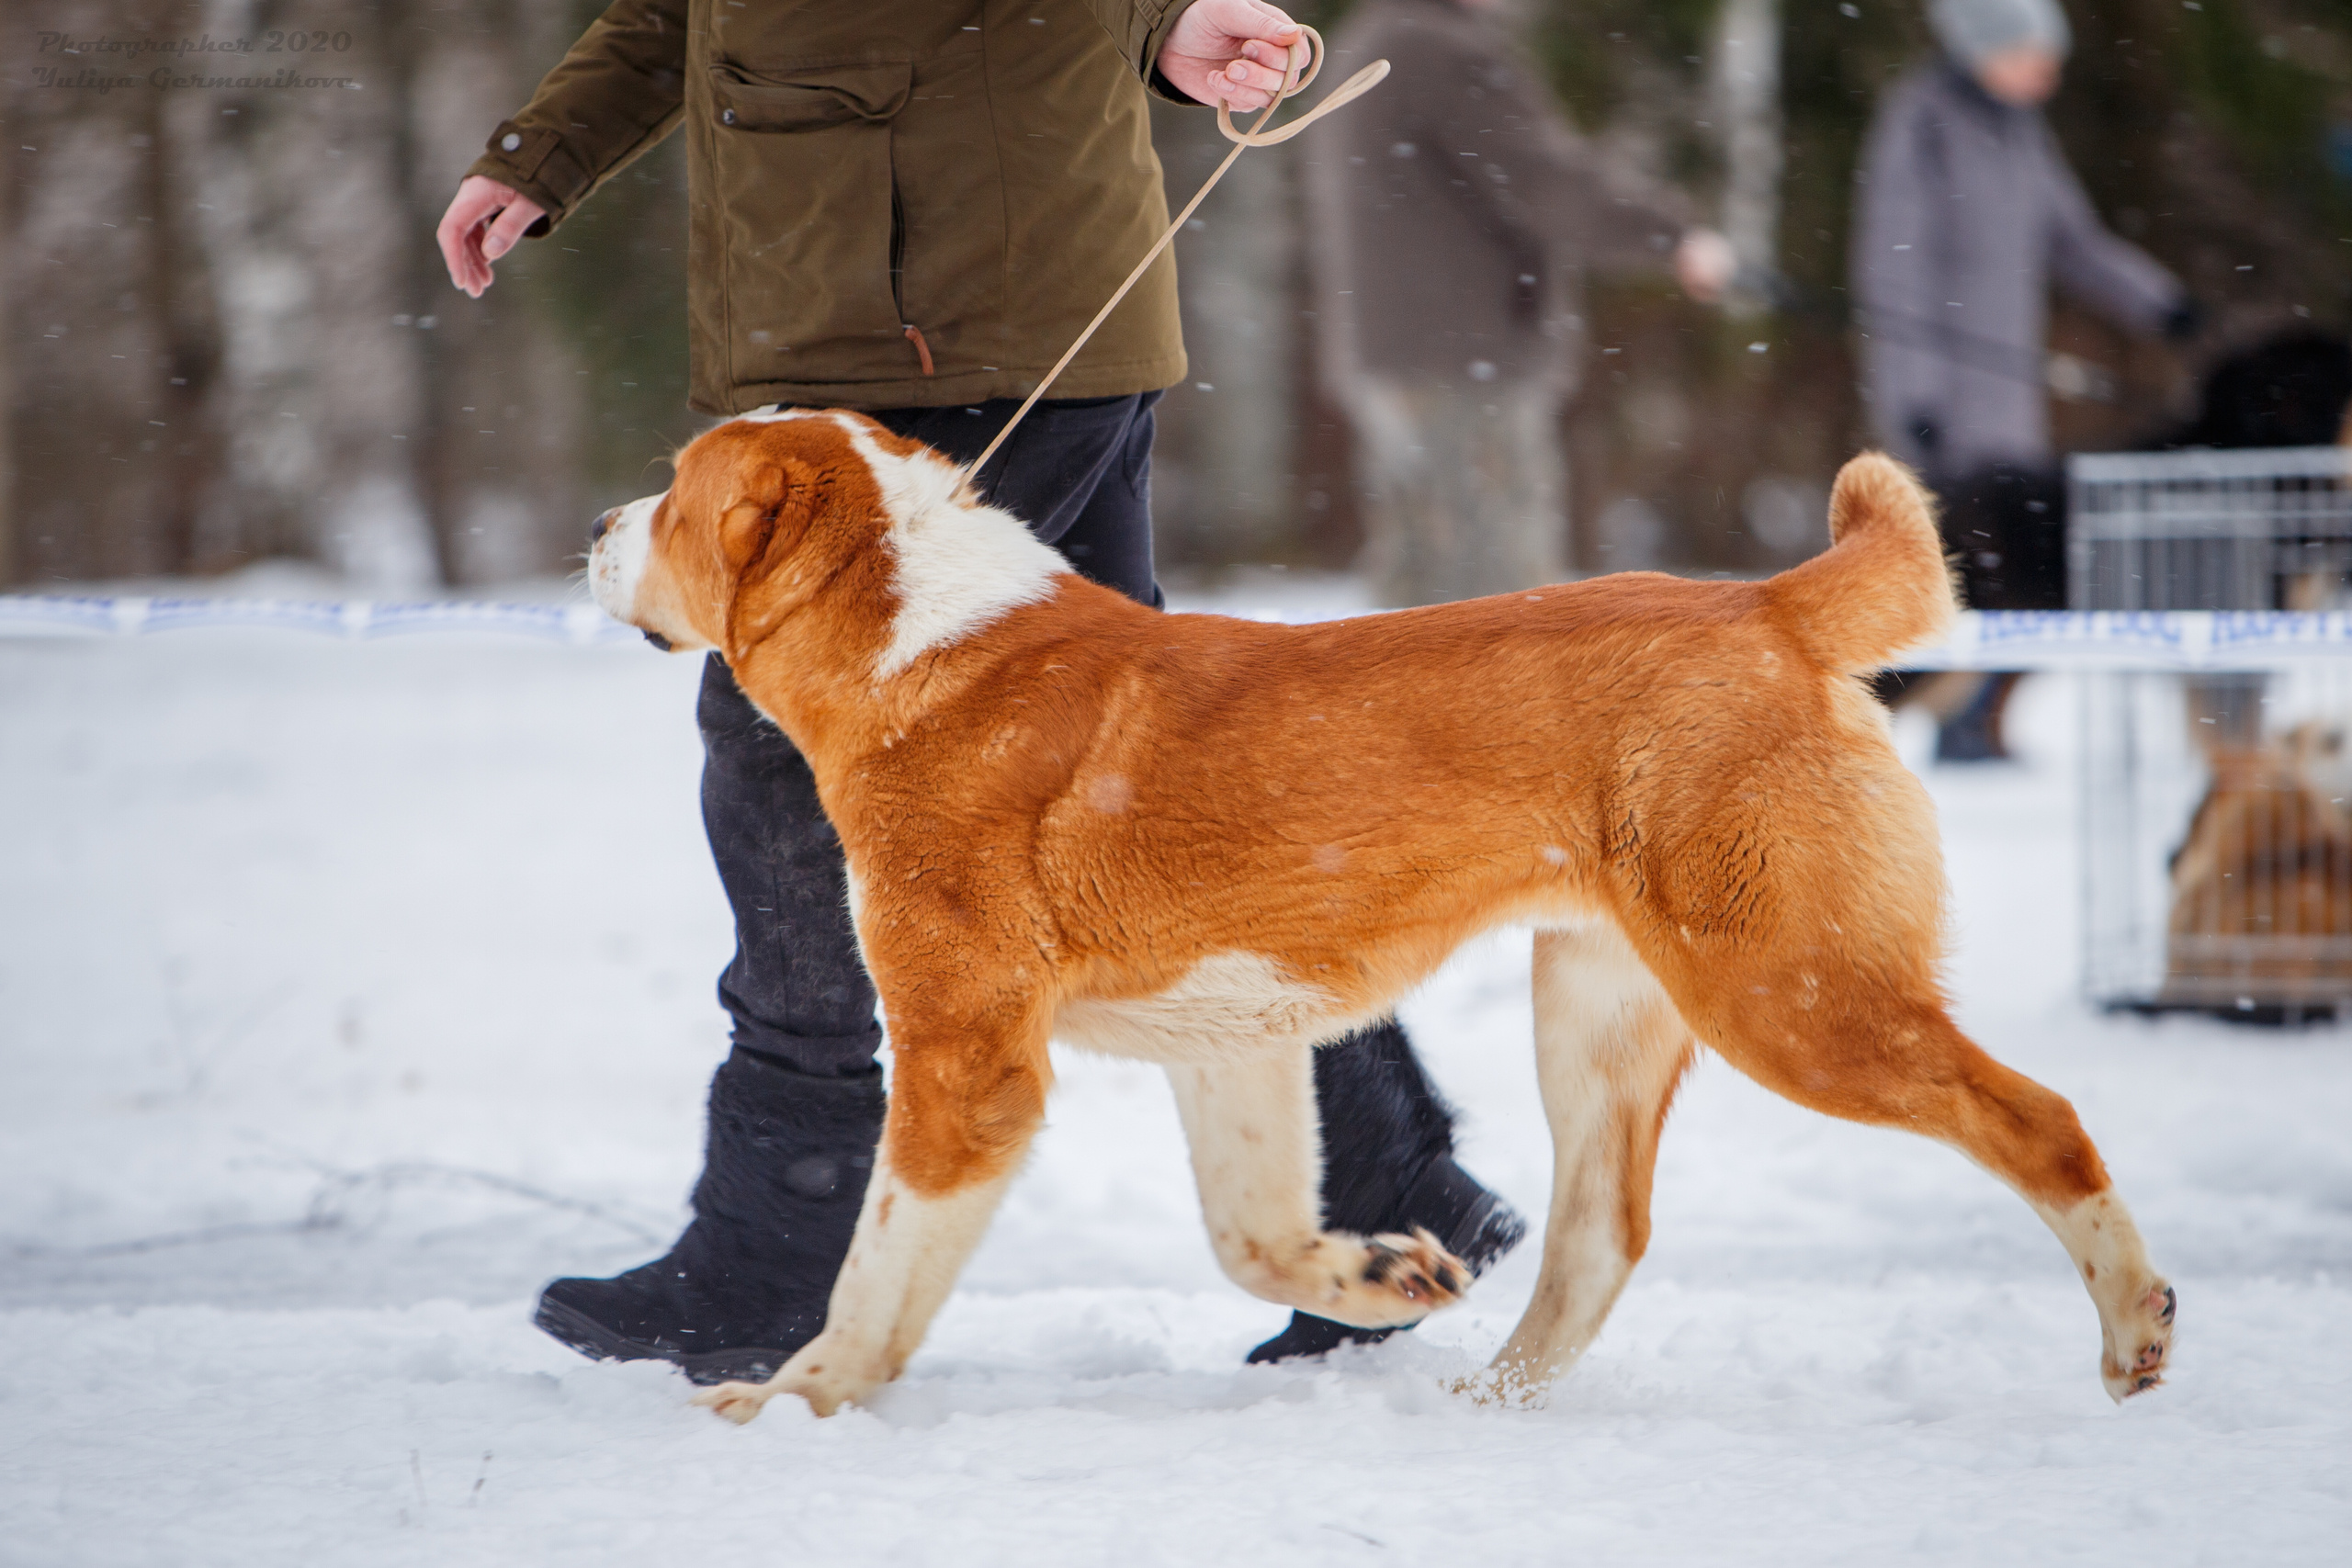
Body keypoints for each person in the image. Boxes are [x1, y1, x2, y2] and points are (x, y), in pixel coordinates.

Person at [435, 0, 1525, 1382]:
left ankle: (781, 1242)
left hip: (955, 314)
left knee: (790, 760)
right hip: (894, 300)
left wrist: (1161, 19)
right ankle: (1386, 1185)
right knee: (1156, 779)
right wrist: (548, 149)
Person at [1307, 0, 1735, 609]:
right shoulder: (1442, 49)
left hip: (1399, 355)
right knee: (1505, 603)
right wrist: (1672, 237)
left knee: (1420, 595)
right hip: (1462, 359)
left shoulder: (1372, 36)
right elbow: (1543, 182)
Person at [1852, 0, 2195, 759]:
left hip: (2010, 408)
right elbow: (1892, 273)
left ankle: (1975, 724)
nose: (2049, 71)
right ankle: (1872, 729)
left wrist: (2162, 305)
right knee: (1945, 576)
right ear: (1982, 47)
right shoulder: (1922, 123)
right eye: (2033, 54)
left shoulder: (2022, 133)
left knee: (2013, 572)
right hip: (1940, 405)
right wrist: (1915, 398)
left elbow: (2076, 242)